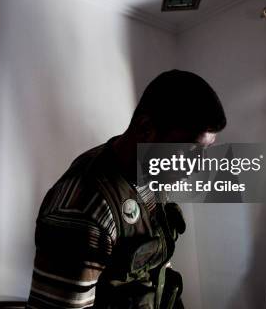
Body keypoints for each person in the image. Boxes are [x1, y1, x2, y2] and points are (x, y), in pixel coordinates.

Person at [26, 70, 227, 309]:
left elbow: (154, 263)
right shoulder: (84, 209)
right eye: (191, 150)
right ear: (145, 128)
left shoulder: (152, 176)